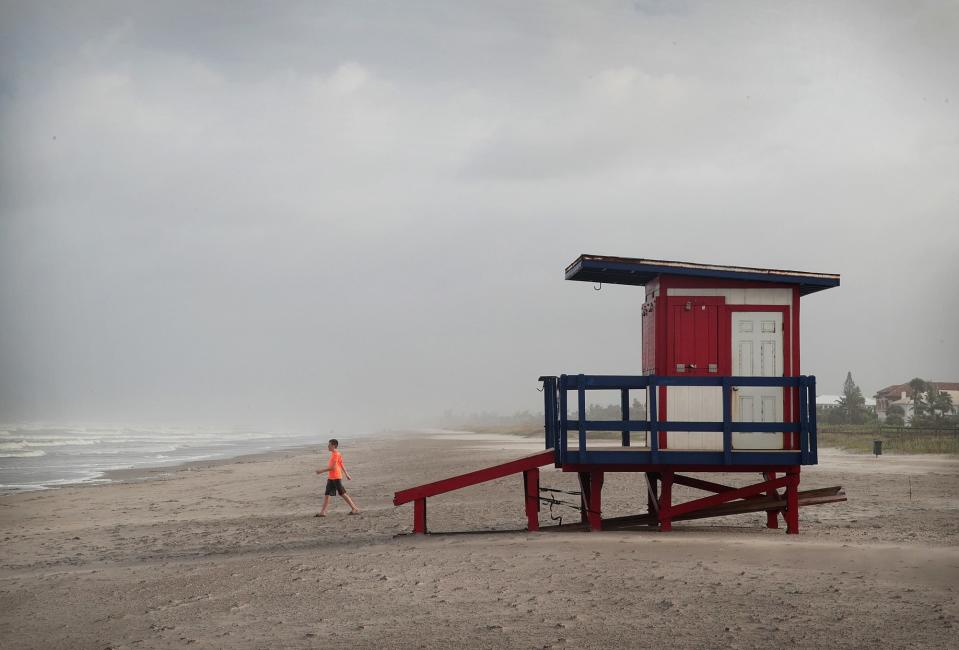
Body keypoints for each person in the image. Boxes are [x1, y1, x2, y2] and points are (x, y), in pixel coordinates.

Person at [315, 438, 360, 516]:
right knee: (327, 494)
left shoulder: (336, 454)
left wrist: (321, 471)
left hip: (336, 477)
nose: (328, 446)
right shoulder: (335, 454)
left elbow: (333, 467)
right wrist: (347, 474)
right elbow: (341, 464)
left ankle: (354, 508)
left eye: (329, 445)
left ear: (334, 445)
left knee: (342, 493)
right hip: (331, 477)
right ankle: (323, 512)